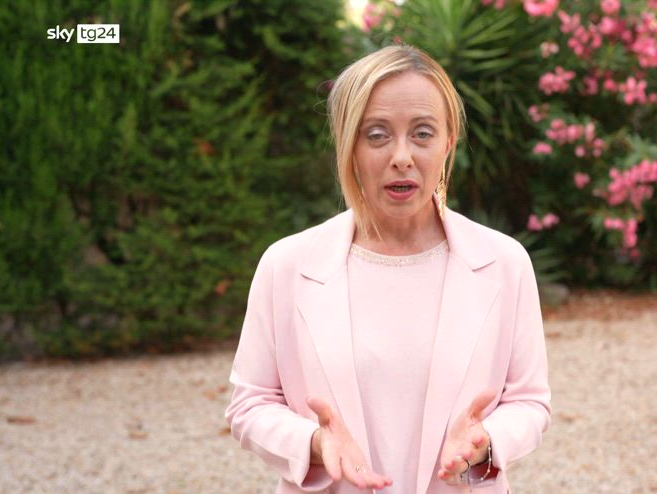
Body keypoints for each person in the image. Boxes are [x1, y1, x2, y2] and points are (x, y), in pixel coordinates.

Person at [225, 44, 551, 494]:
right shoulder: (286, 265)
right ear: (349, 146)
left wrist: (486, 443)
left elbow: (529, 402)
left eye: (422, 133)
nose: (402, 156)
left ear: (448, 142)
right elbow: (250, 405)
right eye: (377, 134)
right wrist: (314, 443)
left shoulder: (504, 262)